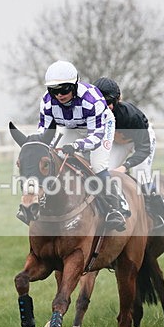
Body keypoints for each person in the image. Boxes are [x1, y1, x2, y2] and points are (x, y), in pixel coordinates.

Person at [21, 60, 128, 231]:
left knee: (98, 164)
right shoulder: (47, 102)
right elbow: (44, 133)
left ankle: (115, 208)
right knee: (56, 158)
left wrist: (77, 146)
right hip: (72, 127)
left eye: (64, 89)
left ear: (74, 85)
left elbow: (95, 137)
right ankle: (39, 202)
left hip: (99, 128)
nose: (59, 95)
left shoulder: (92, 99)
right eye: (53, 90)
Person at [93, 77, 164, 235]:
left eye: (109, 103)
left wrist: (126, 166)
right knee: (106, 172)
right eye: (101, 103)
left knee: (142, 175)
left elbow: (144, 148)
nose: (106, 108)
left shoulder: (130, 115)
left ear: (118, 100)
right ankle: (115, 208)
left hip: (141, 140)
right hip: (118, 141)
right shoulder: (91, 113)